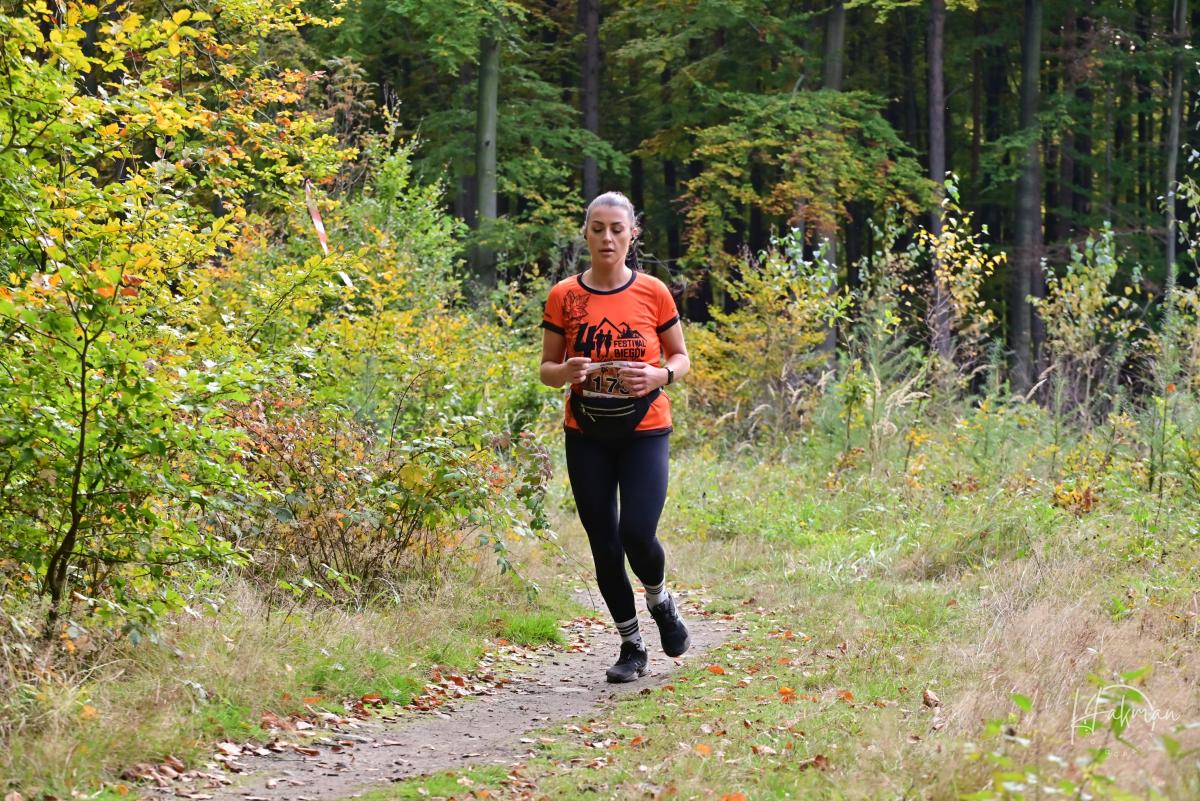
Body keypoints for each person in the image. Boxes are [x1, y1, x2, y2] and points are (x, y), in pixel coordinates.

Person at [539, 191, 692, 683]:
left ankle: (660, 600)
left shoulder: (653, 291)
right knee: (604, 543)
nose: (607, 237)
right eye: (598, 228)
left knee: (637, 534)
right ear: (586, 233)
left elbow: (681, 357)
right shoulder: (565, 296)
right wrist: (567, 371)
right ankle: (631, 646)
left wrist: (660, 375)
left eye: (617, 229)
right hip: (586, 432)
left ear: (632, 235)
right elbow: (546, 369)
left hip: (645, 428)